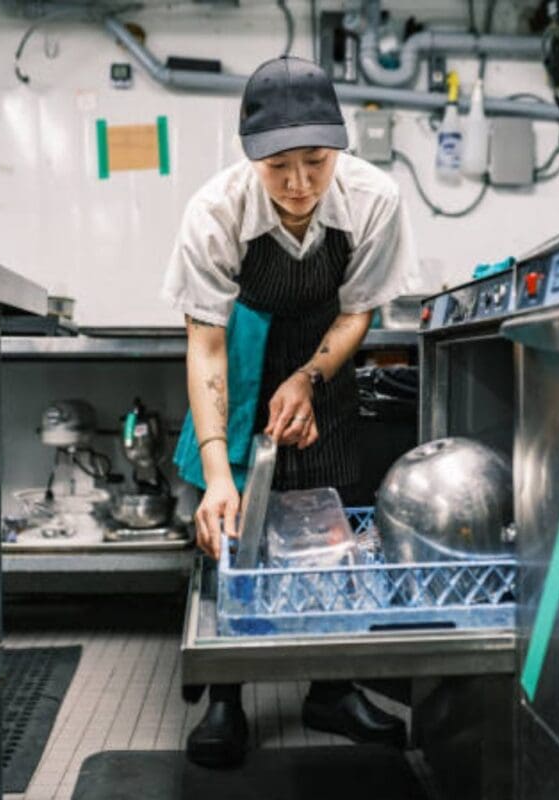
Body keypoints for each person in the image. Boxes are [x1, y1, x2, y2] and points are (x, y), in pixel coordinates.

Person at [162, 55, 419, 768]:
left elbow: (359, 309)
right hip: (243, 357)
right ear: (251, 156)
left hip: (323, 361)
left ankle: (331, 690)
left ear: (339, 146)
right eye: (279, 167)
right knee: (232, 525)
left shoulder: (373, 199)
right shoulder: (216, 212)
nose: (301, 184)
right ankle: (225, 697)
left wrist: (309, 378)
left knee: (330, 515)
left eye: (317, 162)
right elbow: (206, 344)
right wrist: (219, 471)